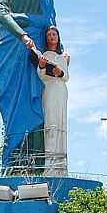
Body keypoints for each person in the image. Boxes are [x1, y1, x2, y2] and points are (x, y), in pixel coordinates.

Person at [0, 0, 57, 174]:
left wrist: (59, 53)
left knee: (39, 102)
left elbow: (51, 24)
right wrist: (23, 34)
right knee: (16, 103)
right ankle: (14, 164)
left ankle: (37, 165)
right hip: (15, 50)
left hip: (39, 53)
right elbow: (2, 15)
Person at [35, 26, 69, 176]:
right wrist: (42, 67)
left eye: (54, 34)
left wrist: (60, 72)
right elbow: (41, 76)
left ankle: (61, 167)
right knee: (51, 123)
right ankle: (50, 166)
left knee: (61, 124)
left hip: (61, 90)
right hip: (49, 89)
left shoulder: (64, 56)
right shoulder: (44, 55)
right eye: (48, 34)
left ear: (58, 37)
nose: (51, 37)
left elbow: (66, 76)